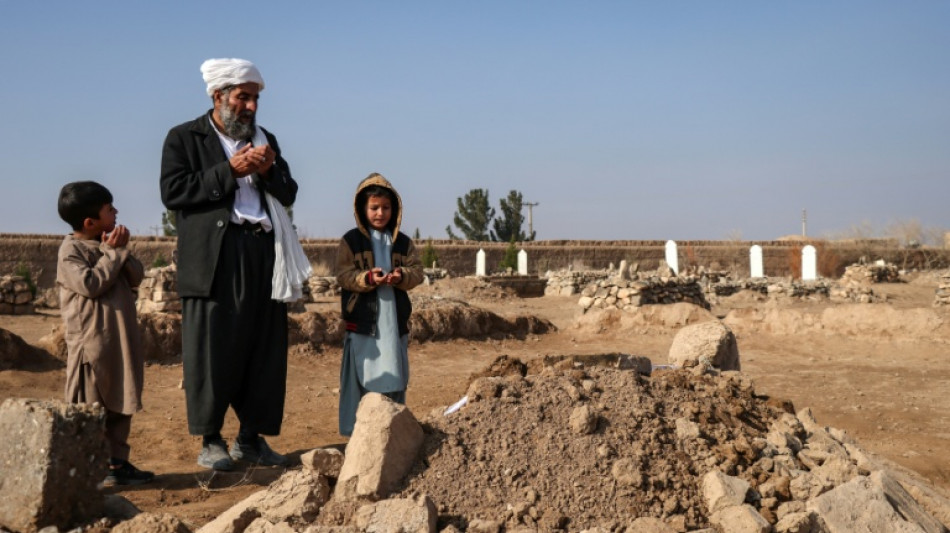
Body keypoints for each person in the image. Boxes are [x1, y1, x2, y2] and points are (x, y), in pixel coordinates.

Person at [160, 58, 298, 470]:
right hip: (216, 258)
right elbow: (173, 192)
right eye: (243, 98)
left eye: (255, 99)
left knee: (264, 348)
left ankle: (250, 440)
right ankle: (211, 440)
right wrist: (228, 170)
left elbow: (288, 192)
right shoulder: (185, 138)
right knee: (213, 347)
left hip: (262, 253)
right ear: (218, 96)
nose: (251, 107)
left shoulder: (264, 139)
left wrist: (269, 170)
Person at [56, 180, 155, 486]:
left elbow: (136, 276)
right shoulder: (70, 251)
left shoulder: (107, 243)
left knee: (121, 399)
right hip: (92, 345)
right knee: (92, 406)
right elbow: (91, 284)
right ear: (90, 221)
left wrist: (120, 250)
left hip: (120, 341)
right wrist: (112, 252)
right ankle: (90, 467)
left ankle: (117, 463)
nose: (116, 212)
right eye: (109, 209)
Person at [336, 173, 424, 436]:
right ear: (362, 209)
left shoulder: (403, 243)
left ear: (394, 209)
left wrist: (402, 277)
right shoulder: (351, 241)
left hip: (393, 323)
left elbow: (417, 272)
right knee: (361, 377)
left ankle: (391, 430)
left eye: (386, 208)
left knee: (394, 373)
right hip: (364, 324)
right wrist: (368, 278)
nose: (380, 213)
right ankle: (358, 434)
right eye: (374, 207)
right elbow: (343, 275)